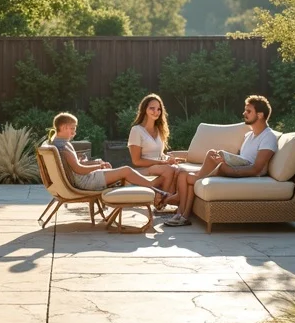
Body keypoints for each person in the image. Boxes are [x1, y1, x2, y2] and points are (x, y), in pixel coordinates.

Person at [165, 95, 278, 227]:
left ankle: (179, 207)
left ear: (260, 115)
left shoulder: (268, 137)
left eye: (248, 111)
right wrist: (225, 161)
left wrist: (230, 170)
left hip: (241, 171)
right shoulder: (249, 135)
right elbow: (243, 158)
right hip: (235, 167)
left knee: (186, 176)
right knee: (204, 160)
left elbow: (257, 168)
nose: (244, 113)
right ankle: (183, 215)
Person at [49, 112, 170, 197]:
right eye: (72, 128)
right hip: (85, 182)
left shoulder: (57, 143)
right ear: (64, 127)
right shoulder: (64, 147)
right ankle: (152, 185)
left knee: (123, 173)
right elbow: (79, 169)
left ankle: (150, 192)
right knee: (126, 171)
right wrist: (99, 166)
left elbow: (75, 165)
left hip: (83, 179)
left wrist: (94, 162)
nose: (74, 132)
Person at [127, 94, 184, 208]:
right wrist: (162, 163)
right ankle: (160, 202)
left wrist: (169, 159)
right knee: (170, 170)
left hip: (160, 167)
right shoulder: (136, 130)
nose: (156, 112)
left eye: (159, 109)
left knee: (178, 169)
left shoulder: (160, 130)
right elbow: (136, 161)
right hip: (143, 169)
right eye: (152, 108)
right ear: (145, 109)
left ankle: (166, 200)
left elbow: (160, 154)